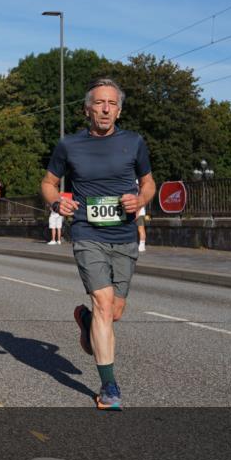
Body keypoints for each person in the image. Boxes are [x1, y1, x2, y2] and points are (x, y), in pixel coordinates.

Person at [40, 78, 155, 411]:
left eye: (112, 104)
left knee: (113, 312)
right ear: (87, 108)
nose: (105, 109)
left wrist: (139, 200)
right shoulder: (69, 145)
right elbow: (48, 183)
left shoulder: (134, 142)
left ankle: (88, 323)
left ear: (119, 110)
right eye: (99, 103)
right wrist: (56, 203)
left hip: (124, 235)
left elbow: (149, 184)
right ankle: (109, 388)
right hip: (88, 233)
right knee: (103, 302)